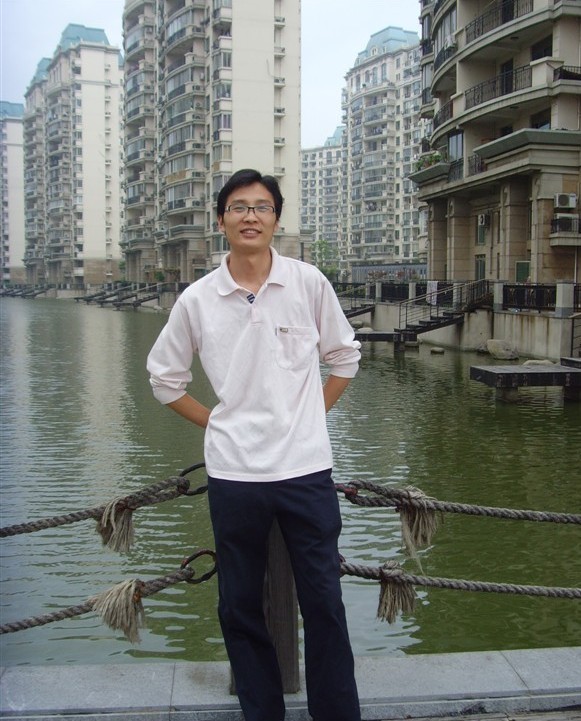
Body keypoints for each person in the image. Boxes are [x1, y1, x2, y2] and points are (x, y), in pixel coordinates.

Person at [147, 169, 362, 721]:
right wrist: (217, 423)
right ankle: (261, 712)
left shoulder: (308, 282)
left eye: (262, 207)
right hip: (235, 475)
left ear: (276, 219)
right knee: (240, 604)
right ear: (222, 220)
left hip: (306, 470)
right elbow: (164, 380)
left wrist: (308, 414)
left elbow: (344, 358)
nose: (250, 216)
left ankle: (337, 713)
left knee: (324, 600)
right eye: (238, 207)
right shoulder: (198, 299)